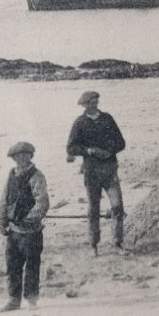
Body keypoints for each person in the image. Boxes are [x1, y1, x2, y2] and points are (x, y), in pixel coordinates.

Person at [66, 89, 127, 253]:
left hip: (110, 169)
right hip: (91, 171)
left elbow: (121, 142)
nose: (93, 104)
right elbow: (71, 148)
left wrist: (109, 151)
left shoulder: (108, 119)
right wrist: (90, 151)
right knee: (93, 208)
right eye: (89, 102)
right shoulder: (79, 123)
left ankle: (118, 242)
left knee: (117, 206)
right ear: (84, 105)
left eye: (95, 101)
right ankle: (94, 244)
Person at [0, 141, 50, 310]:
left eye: (25, 155)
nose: (22, 159)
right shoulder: (11, 175)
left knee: (32, 264)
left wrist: (29, 219)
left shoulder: (37, 176)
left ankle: (32, 299)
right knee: (12, 265)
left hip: (31, 231)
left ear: (30, 156)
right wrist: (1, 220)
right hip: (14, 231)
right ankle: (14, 299)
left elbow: (42, 202)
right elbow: (5, 199)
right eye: (18, 156)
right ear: (13, 158)